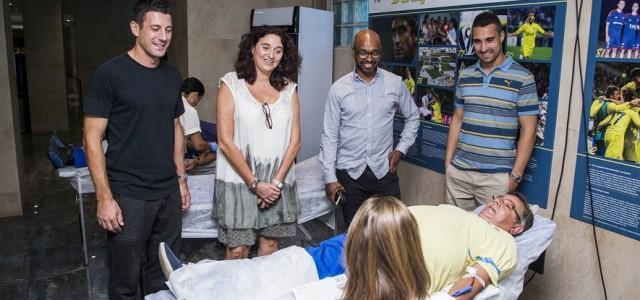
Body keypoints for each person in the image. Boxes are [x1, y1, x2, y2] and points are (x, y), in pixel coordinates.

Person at [157, 194, 533, 300]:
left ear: (515, 227)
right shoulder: (460, 213)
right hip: (370, 235)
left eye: (509, 206)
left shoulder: (501, 243)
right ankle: (195, 278)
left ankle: (192, 284)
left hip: (387, 261)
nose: (499, 202)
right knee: (287, 261)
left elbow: (476, 280)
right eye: (500, 197)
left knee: (281, 273)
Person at [83, 0, 190, 298]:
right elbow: (91, 137)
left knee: (164, 274)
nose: (163, 36)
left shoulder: (171, 75)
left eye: (168, 29)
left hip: (167, 193)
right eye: (155, 28)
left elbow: (175, 128)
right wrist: (104, 198)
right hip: (128, 194)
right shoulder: (110, 74)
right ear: (135, 28)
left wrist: (180, 180)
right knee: (125, 280)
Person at [215, 26, 302, 260]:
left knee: (271, 246)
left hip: (278, 182)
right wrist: (256, 184)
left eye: (278, 50)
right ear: (252, 48)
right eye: (265, 47)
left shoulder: (289, 88)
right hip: (239, 181)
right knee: (237, 250)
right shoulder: (231, 85)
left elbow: (295, 141)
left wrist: (275, 185)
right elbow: (224, 141)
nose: (270, 55)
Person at [319, 29, 420, 226]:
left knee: (393, 228)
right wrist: (330, 178)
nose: (369, 58)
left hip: (384, 171)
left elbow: (414, 117)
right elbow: (329, 136)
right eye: (363, 52)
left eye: (374, 52)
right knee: (355, 234)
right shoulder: (338, 89)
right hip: (349, 175)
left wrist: (401, 148)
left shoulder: (395, 83)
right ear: (354, 52)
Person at [445, 11, 539, 211]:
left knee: (492, 239)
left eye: (490, 40)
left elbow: (529, 131)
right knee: (456, 235)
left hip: (496, 180)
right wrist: (448, 165)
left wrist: (514, 178)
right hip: (459, 173)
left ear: (502, 37)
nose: (483, 48)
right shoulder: (465, 75)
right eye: (478, 42)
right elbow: (457, 119)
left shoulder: (523, 78)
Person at [179, 77, 216, 171]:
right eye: (199, 99)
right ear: (195, 95)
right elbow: (199, 145)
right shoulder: (189, 110)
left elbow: (182, 140)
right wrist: (213, 146)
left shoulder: (172, 103)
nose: (197, 103)